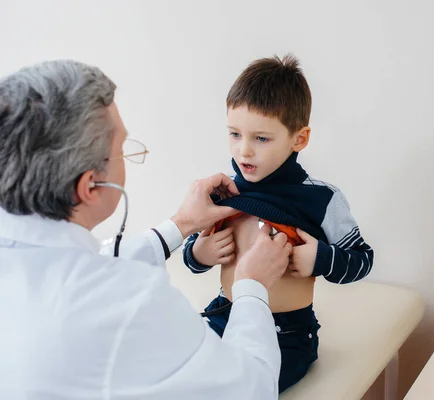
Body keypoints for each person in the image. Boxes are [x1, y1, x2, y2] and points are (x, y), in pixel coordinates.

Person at [0, 60, 292, 399]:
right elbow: (252, 389)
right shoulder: (129, 302)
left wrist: (181, 225)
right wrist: (252, 286)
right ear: (90, 186)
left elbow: (74, 267)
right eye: (122, 150)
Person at [182, 54, 375, 392]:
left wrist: (321, 258)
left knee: (240, 389)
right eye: (234, 134)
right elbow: (191, 255)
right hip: (222, 316)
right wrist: (201, 252)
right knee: (179, 378)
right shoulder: (223, 191)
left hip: (284, 335)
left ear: (298, 139)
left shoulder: (320, 199)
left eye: (261, 138)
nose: (244, 151)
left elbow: (361, 259)